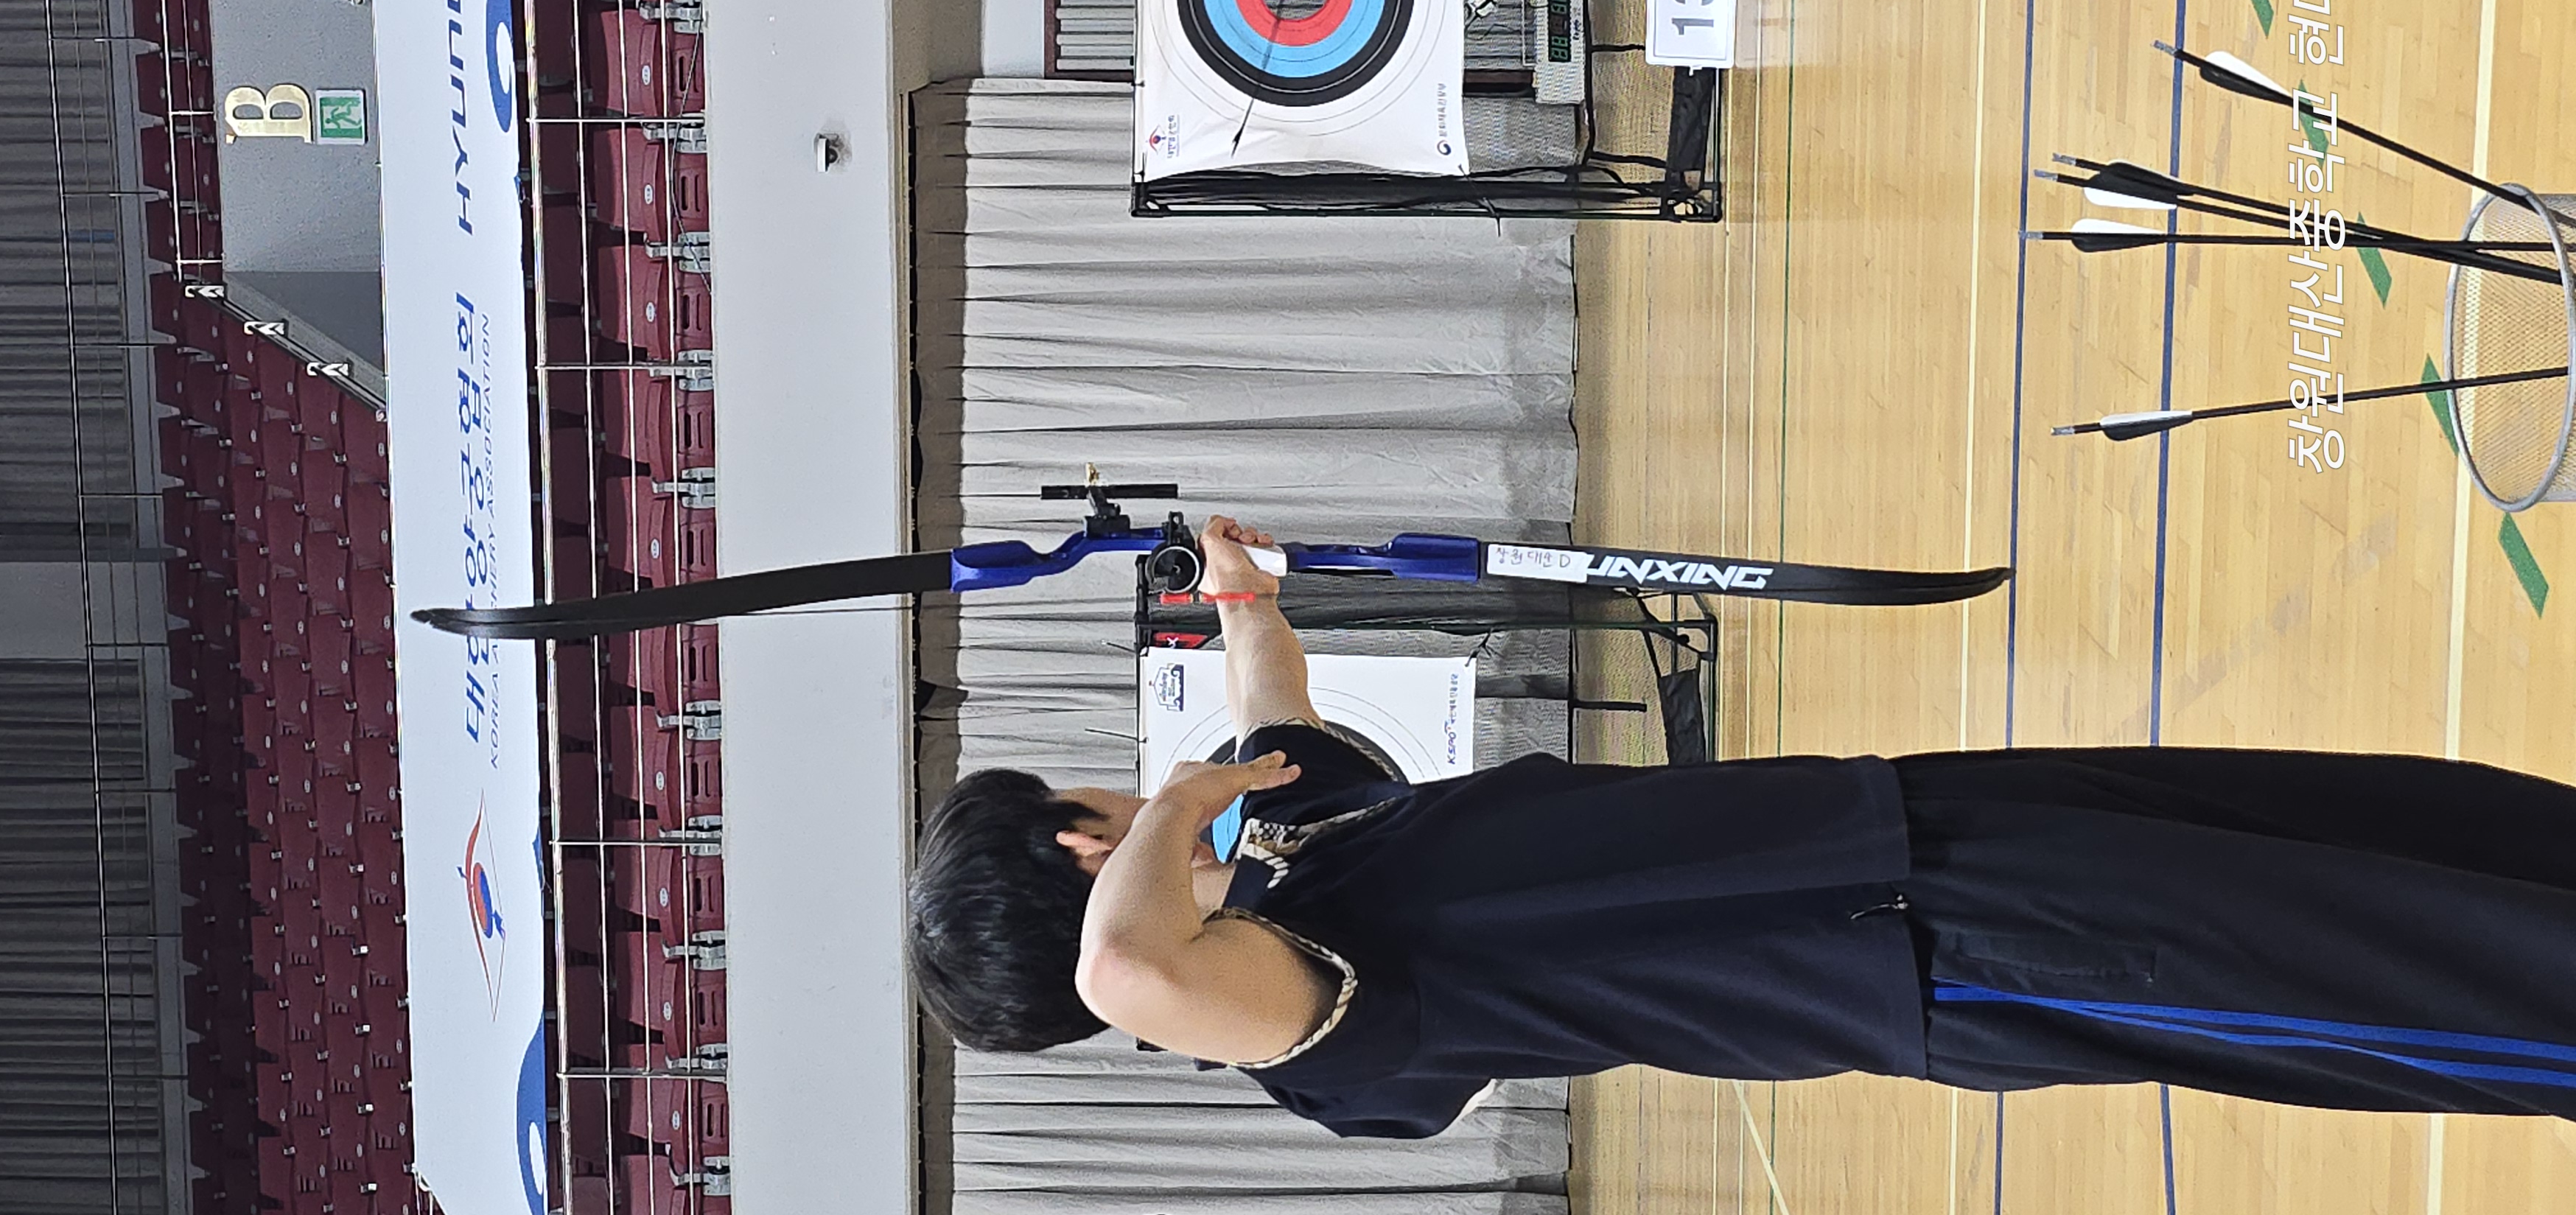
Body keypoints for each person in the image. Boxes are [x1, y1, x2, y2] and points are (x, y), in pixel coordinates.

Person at [905, 517, 2576, 1135]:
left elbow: (1268, 720)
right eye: (1095, 808)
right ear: (1075, 850)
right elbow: (1133, 965)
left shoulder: (1291, 855)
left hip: (1911, 827)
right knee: (2415, 978)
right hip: (1937, 959)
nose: (1135, 793)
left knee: (2392, 839)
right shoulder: (1292, 1025)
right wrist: (1182, 803)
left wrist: (1236, 594)